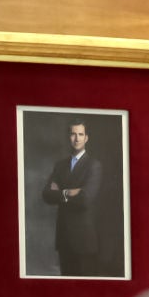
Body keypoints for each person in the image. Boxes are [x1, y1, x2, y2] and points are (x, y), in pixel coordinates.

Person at [41, 118, 104, 276]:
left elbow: (85, 199)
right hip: (64, 238)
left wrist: (60, 192)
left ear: (86, 138)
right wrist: (68, 192)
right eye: (73, 134)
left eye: (80, 134)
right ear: (68, 137)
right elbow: (47, 195)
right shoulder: (60, 165)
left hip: (84, 240)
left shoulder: (93, 165)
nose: (76, 138)